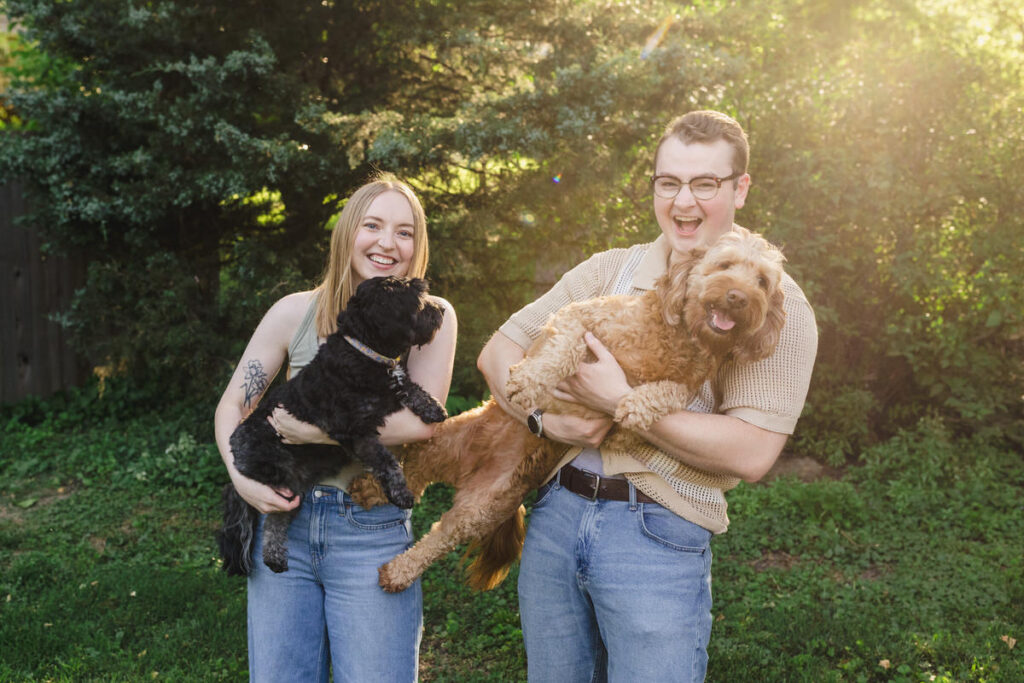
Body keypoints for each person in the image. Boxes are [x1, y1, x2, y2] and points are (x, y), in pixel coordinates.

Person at [478, 110, 817, 681]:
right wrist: (543, 421)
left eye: (705, 184)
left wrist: (618, 401)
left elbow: (753, 452)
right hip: (556, 515)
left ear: (740, 188)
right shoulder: (610, 269)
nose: (684, 202)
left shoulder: (773, 303)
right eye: (669, 183)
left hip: (656, 533)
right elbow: (497, 353)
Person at [214, 172, 457, 683]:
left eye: (405, 231)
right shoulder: (294, 312)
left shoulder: (429, 317)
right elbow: (233, 404)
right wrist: (240, 478)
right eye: (373, 225)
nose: (387, 242)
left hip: (370, 528)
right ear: (348, 232)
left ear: (418, 246)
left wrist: (315, 431)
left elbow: (421, 423)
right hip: (285, 524)